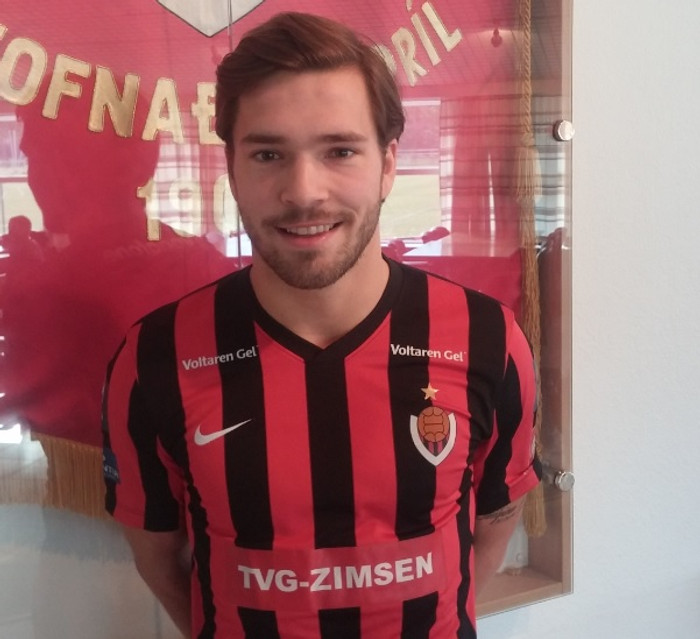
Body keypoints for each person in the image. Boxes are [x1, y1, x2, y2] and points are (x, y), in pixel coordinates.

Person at [102, 11, 541, 639]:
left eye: (340, 151)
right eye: (268, 154)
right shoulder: (155, 357)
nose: (303, 191)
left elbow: (495, 521)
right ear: (232, 168)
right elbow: (159, 558)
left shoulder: (489, 340)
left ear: (388, 165)